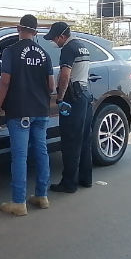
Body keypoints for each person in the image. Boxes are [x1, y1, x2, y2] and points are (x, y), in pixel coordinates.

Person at [0, 14, 56, 216]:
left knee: (20, 156)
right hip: (41, 111)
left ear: (19, 30)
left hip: (20, 112)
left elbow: (4, 82)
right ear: (35, 32)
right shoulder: (44, 54)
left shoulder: (11, 51)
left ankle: (19, 202)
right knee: (41, 152)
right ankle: (42, 196)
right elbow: (51, 86)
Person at [44, 21, 93, 193]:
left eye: (54, 39)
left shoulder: (68, 49)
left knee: (71, 142)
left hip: (74, 98)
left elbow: (65, 76)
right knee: (85, 139)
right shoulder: (82, 46)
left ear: (61, 36)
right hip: (86, 95)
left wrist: (59, 98)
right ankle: (86, 179)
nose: (54, 42)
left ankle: (69, 184)